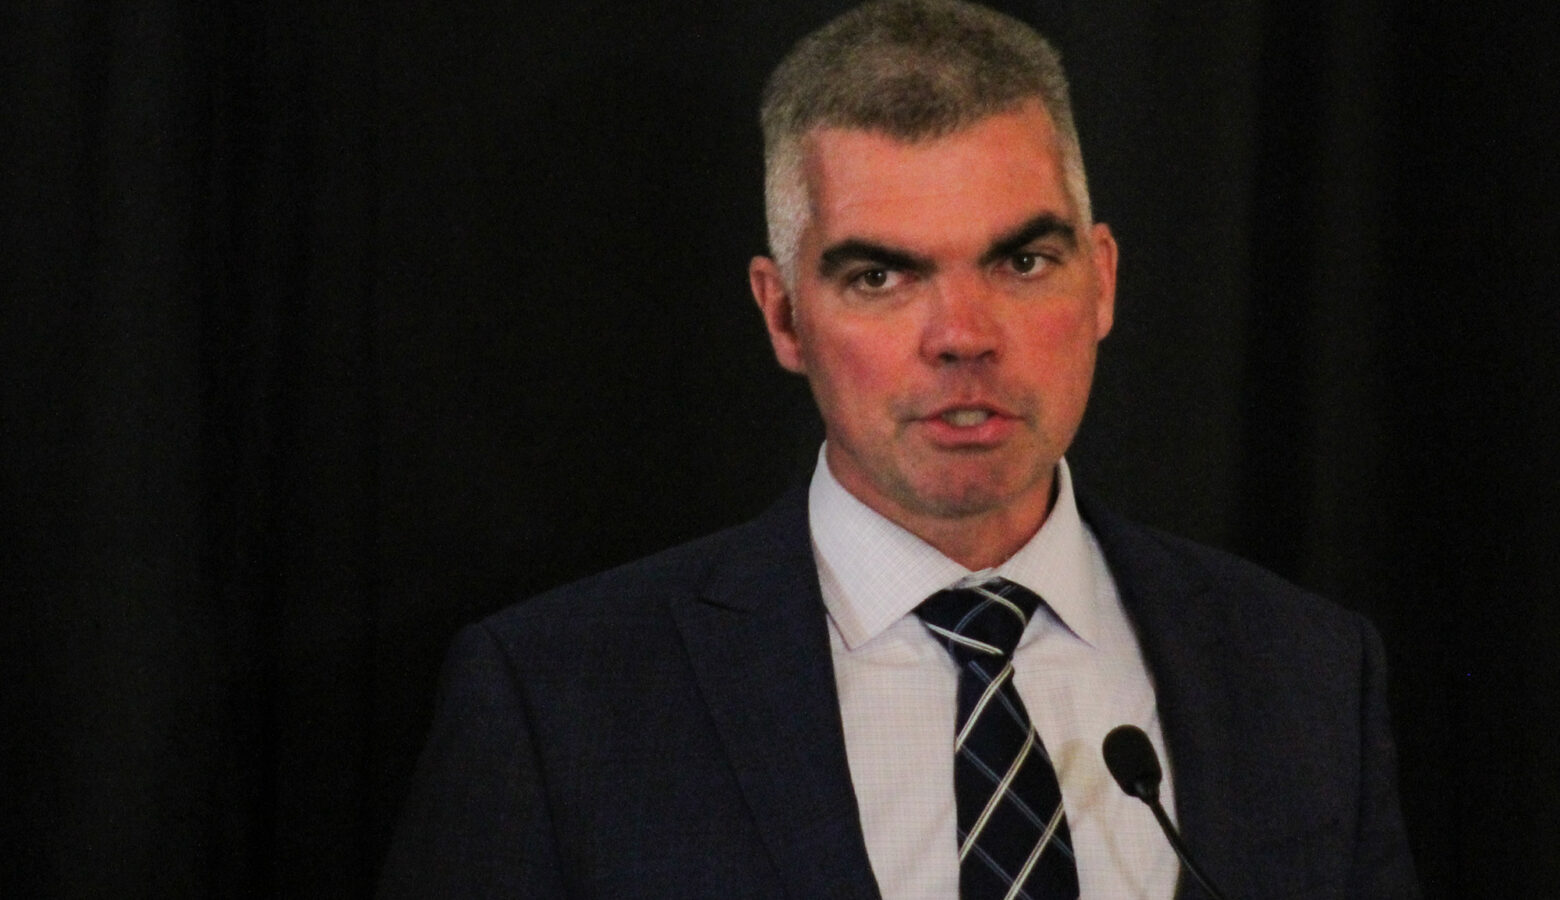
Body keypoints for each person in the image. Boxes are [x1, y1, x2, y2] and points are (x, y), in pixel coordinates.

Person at [379, 1, 1420, 897]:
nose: (964, 334)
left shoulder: (1307, 673)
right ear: (783, 317)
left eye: (1021, 260)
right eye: (881, 277)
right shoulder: (558, 703)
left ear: (1100, 280)